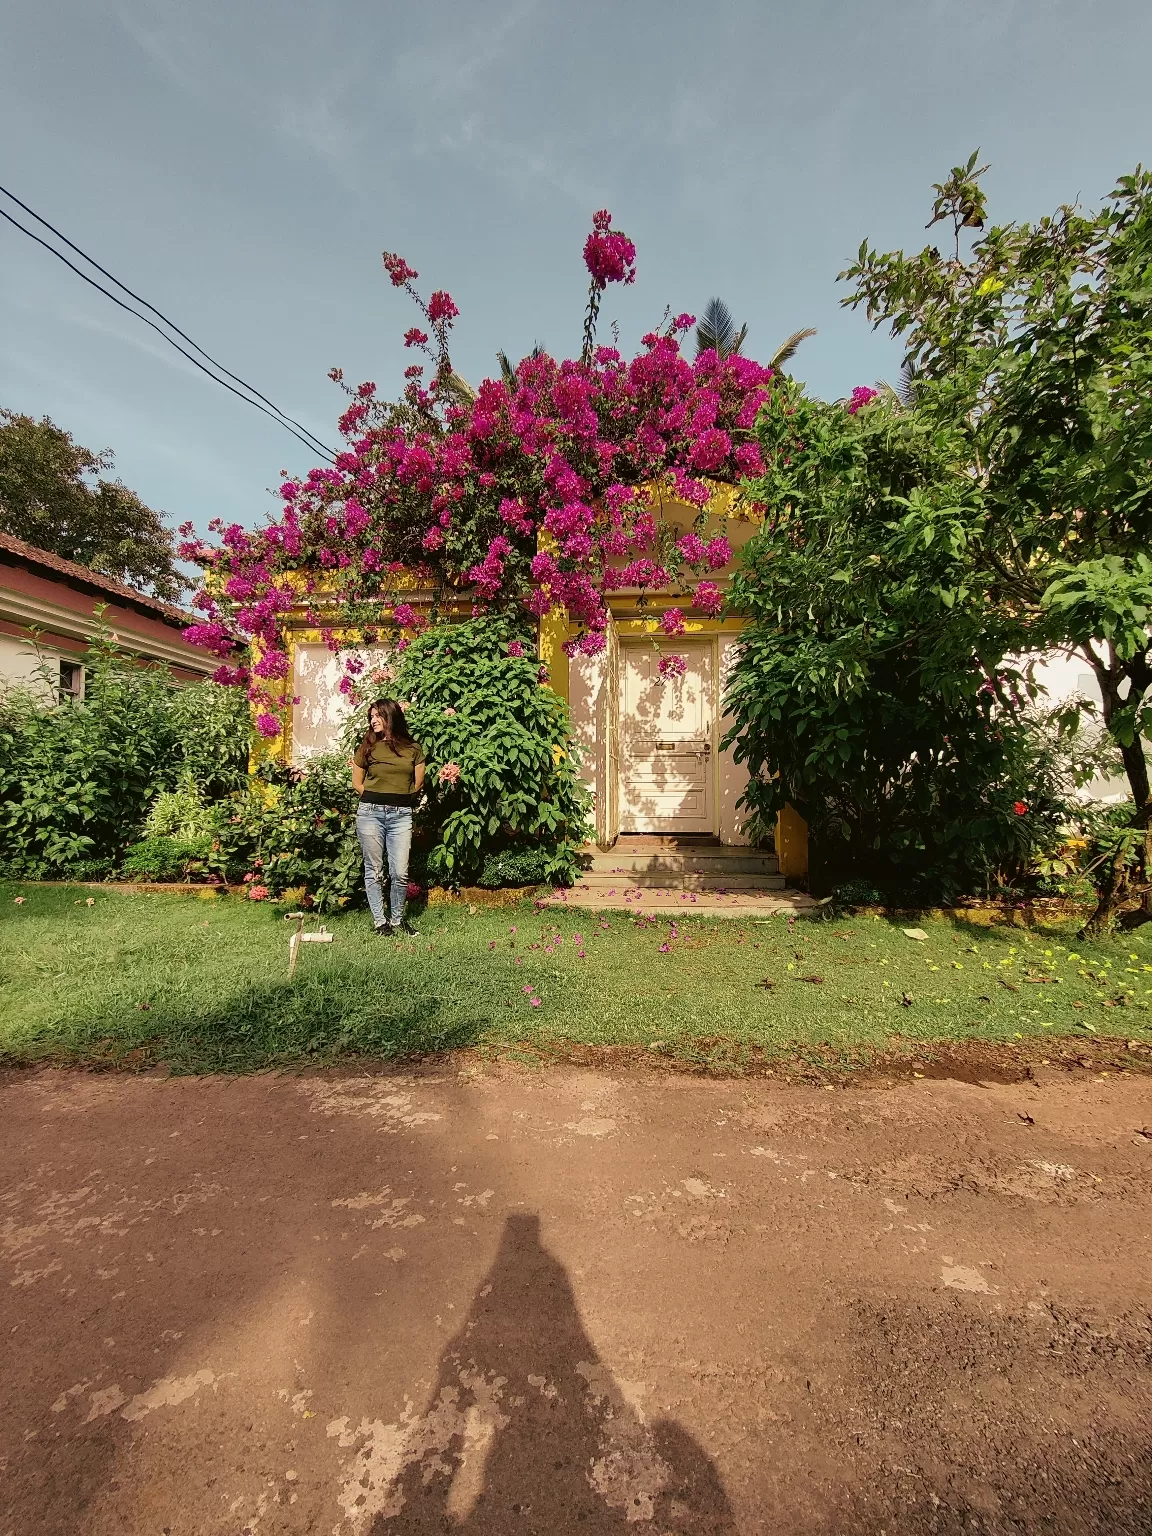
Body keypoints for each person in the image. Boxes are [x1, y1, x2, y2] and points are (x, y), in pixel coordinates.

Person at [351, 698, 425, 937]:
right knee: (374, 869)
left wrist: (398, 800)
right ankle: (379, 922)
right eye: (370, 716)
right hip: (370, 814)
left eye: (377, 715)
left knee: (399, 872)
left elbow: (418, 782)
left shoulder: (412, 748)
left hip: (401, 816)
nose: (373, 720)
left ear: (390, 716)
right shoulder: (367, 747)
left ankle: (397, 920)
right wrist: (376, 798)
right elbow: (357, 783)